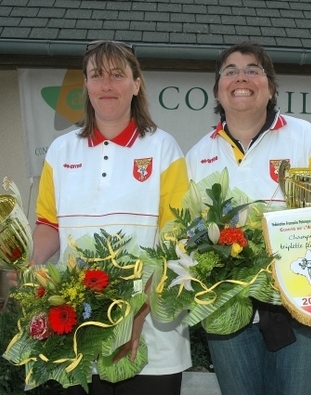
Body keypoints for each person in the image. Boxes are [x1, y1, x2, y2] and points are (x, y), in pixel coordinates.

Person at [30, 40, 191, 394]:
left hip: (151, 338)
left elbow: (177, 243)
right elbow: (48, 224)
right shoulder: (60, 151)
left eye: (117, 75)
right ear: (85, 87)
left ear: (136, 85)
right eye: (96, 75)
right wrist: (33, 265)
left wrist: (136, 315)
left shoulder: (164, 148)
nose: (106, 84)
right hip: (75, 332)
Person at [185, 41, 311, 395]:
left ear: (270, 87)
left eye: (253, 69)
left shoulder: (305, 138)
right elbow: (186, 234)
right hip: (227, 311)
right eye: (230, 71)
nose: (242, 77)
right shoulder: (197, 155)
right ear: (218, 89)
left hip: (298, 308)